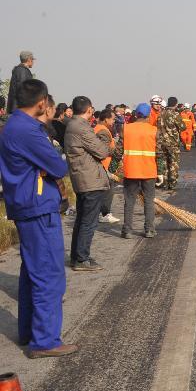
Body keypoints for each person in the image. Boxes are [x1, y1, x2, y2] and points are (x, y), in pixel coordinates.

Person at [0, 79, 78, 357]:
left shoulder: (14, 125)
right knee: (48, 274)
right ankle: (44, 341)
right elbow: (58, 166)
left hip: (26, 204)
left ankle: (28, 332)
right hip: (37, 207)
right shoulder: (28, 131)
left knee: (32, 272)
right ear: (42, 102)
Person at [64, 96, 112, 271]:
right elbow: (102, 152)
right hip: (90, 180)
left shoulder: (73, 125)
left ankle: (77, 256)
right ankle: (82, 259)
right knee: (88, 222)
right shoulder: (81, 128)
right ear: (89, 109)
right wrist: (106, 140)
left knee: (82, 220)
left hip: (82, 178)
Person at [110, 103, 161, 239]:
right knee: (149, 201)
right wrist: (160, 172)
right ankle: (149, 230)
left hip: (131, 171)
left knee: (130, 201)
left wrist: (111, 169)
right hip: (149, 172)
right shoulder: (154, 130)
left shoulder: (126, 129)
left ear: (136, 115)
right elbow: (159, 153)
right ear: (149, 115)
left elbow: (117, 152)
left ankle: (127, 230)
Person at [94, 109, 120, 225]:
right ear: (106, 119)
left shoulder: (98, 128)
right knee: (108, 191)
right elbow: (103, 149)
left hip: (103, 165)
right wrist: (115, 150)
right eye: (113, 118)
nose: (114, 121)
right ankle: (105, 214)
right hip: (106, 165)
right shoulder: (103, 131)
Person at [156, 96, 186, 189]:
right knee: (173, 164)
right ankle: (172, 184)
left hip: (161, 143)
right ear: (176, 104)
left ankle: (164, 182)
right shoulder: (175, 114)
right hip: (172, 143)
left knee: (164, 163)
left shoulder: (161, 114)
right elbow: (182, 127)